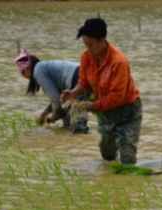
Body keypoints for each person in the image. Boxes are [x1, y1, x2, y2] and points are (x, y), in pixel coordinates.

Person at [60, 18, 142, 164]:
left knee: (127, 157)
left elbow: (117, 97)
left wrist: (92, 106)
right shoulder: (86, 58)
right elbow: (85, 83)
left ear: (102, 40)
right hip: (106, 112)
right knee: (107, 154)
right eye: (86, 45)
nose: (88, 49)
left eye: (91, 45)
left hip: (128, 112)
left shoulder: (118, 62)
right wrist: (73, 93)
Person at [15, 49, 89, 134]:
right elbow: (59, 97)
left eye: (22, 73)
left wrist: (55, 116)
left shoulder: (38, 72)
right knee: (70, 118)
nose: (24, 77)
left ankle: (79, 140)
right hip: (83, 73)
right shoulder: (42, 67)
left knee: (76, 123)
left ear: (26, 70)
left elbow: (56, 98)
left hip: (77, 78)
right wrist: (44, 114)